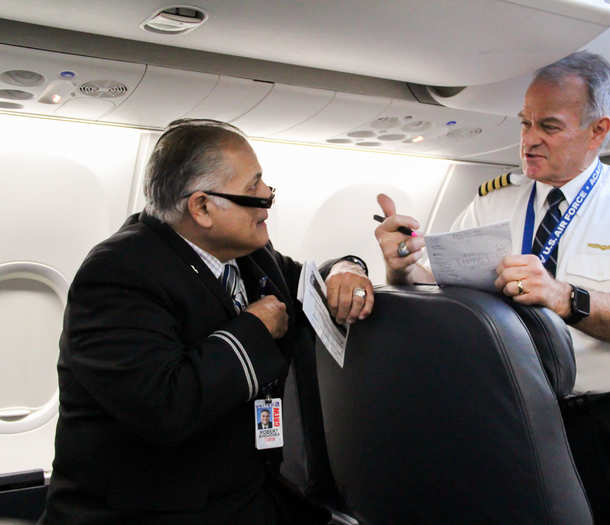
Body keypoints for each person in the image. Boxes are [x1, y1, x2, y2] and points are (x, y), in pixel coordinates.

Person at [374, 51, 610, 524]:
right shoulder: (492, 201)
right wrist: (403, 270)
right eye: (524, 124)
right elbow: (445, 291)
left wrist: (562, 296)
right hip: (513, 417)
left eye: (548, 127)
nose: (528, 141)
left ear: (598, 131)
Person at [40, 119, 374, 524]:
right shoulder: (118, 273)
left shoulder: (251, 255)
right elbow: (165, 407)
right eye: (254, 188)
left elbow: (308, 285)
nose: (268, 196)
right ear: (201, 207)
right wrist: (254, 330)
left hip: (241, 495)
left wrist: (347, 269)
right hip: (145, 512)